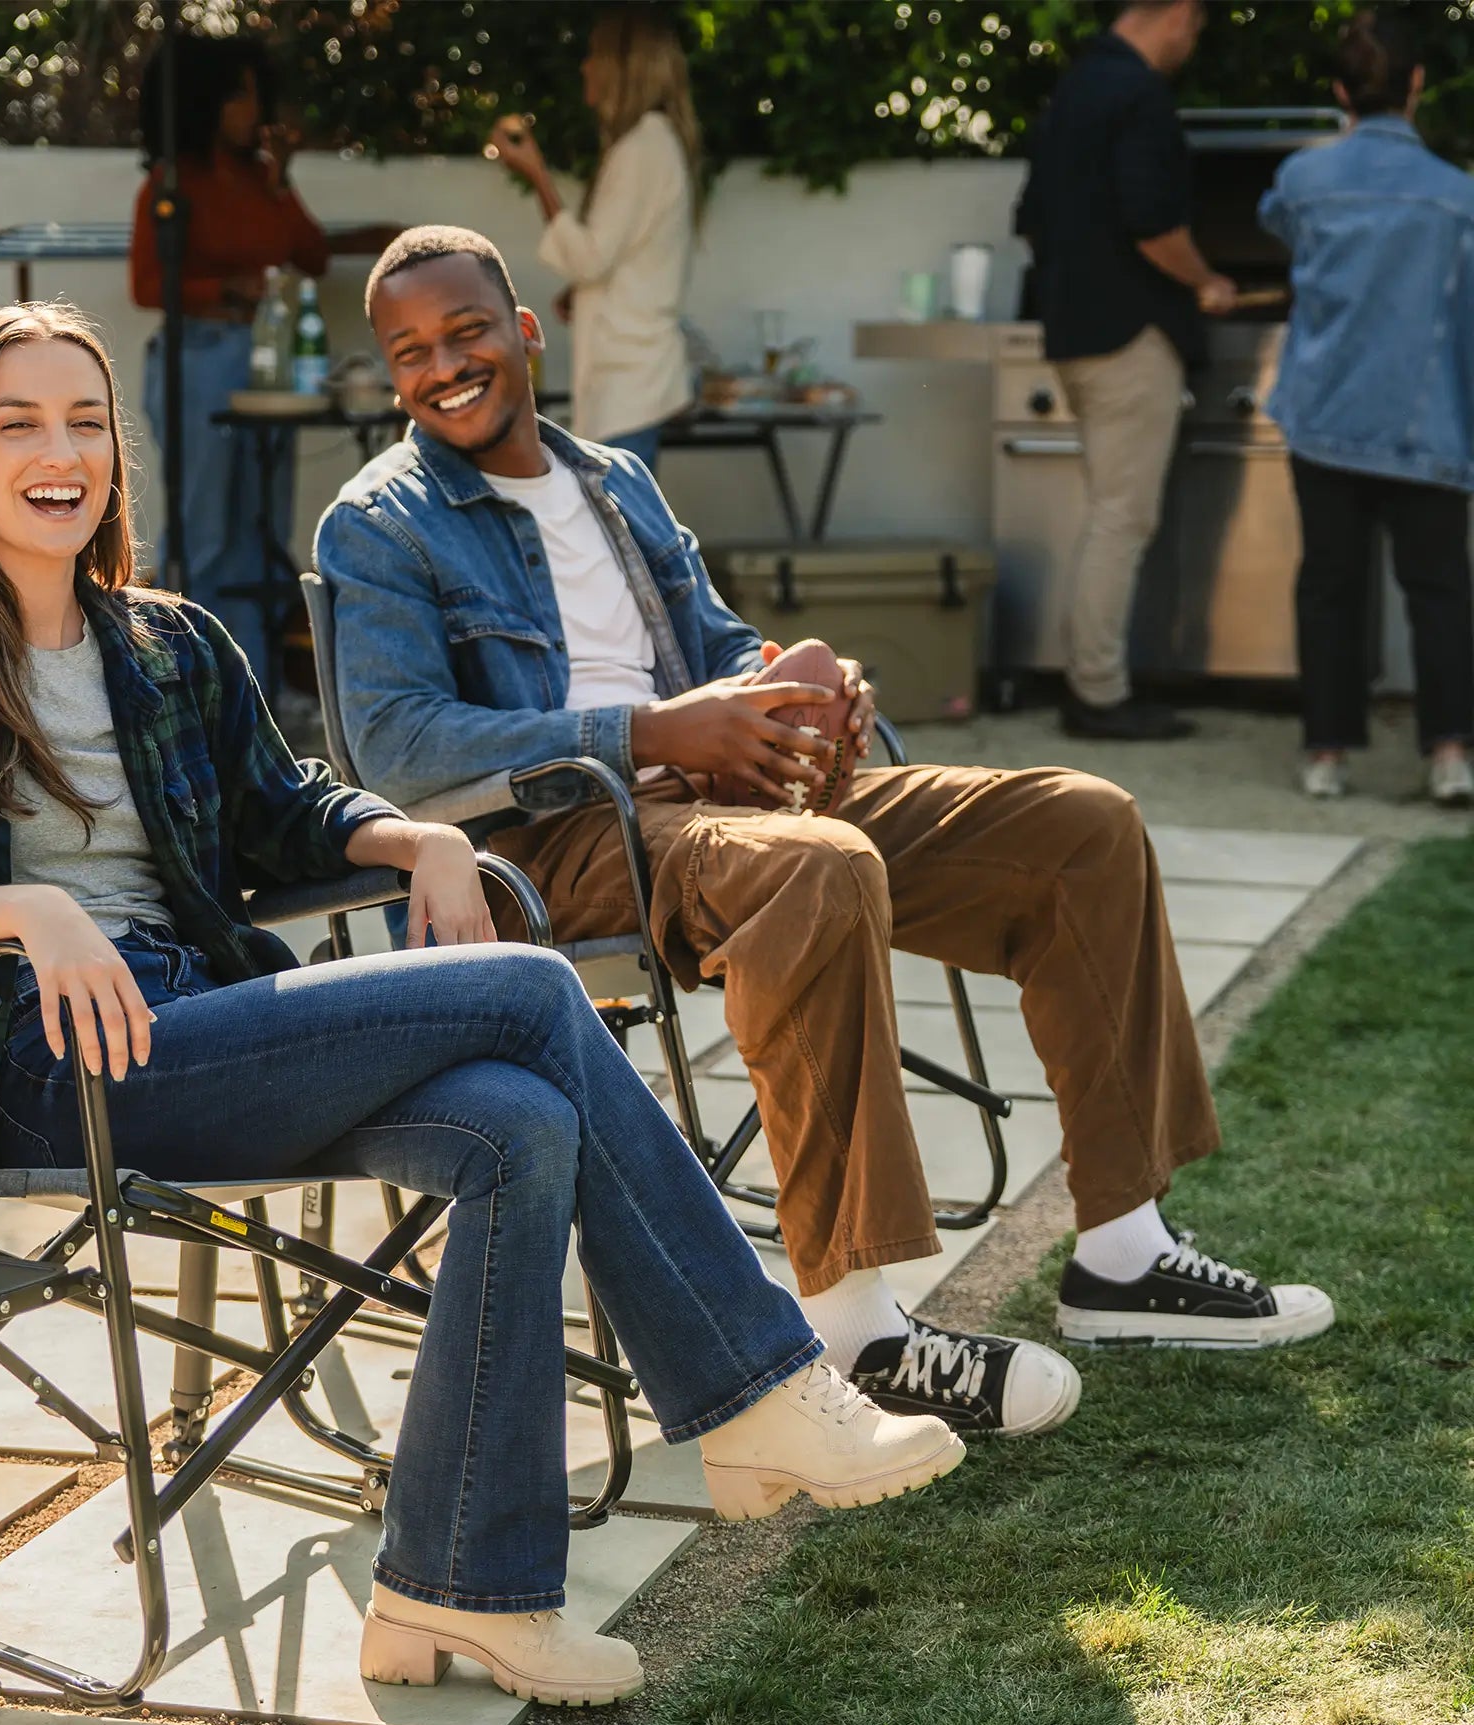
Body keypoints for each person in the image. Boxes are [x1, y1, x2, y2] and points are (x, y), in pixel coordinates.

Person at [0, 302, 963, 1709]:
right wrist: (24, 911)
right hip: (27, 1056)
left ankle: (454, 1592)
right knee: (527, 995)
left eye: (86, 421)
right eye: (19, 422)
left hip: (186, 1027)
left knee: (515, 1123)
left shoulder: (164, 644)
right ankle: (757, 1391)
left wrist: (421, 838)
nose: (61, 450)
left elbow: (290, 807)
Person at [317, 227, 1338, 1444]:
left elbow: (713, 651)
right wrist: (653, 728)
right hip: (552, 846)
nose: (444, 365)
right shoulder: (378, 524)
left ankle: (1121, 1250)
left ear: (526, 331)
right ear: (391, 376)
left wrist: (806, 688)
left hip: (720, 802)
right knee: (819, 869)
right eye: (411, 352)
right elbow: (397, 749)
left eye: (467, 331)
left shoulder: (613, 483)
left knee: (1081, 823)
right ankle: (859, 1333)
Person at [128, 36, 394, 695]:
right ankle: (199, 694)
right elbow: (145, 284)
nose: (256, 107)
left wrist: (281, 183)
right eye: (242, 93)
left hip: (271, 362)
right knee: (209, 537)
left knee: (263, 535)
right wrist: (226, 288)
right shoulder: (171, 184)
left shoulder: (260, 175)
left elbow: (311, 255)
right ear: (207, 102)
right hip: (204, 360)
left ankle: (258, 699)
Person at [1258, 10, 1474, 810]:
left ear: (1342, 92)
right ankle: (1450, 754)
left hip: (1326, 414)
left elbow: (1276, 227)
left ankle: (1326, 754)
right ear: (1418, 85)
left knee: (1329, 587)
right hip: (1432, 420)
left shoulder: (1304, 180)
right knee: (1442, 588)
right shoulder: (1459, 198)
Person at [1015, 0, 1241, 744]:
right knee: (1123, 516)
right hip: (1129, 336)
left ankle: (1095, 683)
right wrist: (1207, 280)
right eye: (1197, 26)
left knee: (1109, 511)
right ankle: (1100, 693)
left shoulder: (1075, 89)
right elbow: (1154, 223)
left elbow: (1030, 216)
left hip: (1076, 332)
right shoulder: (1138, 94)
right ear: (1176, 12)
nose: (1192, 41)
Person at [484, 5, 696, 470]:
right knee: (618, 533)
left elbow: (589, 258)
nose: (585, 67)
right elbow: (621, 255)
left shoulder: (643, 145)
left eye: (593, 56)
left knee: (620, 538)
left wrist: (536, 173)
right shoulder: (652, 143)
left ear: (622, 68)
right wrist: (583, 293)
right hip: (631, 380)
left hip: (629, 384)